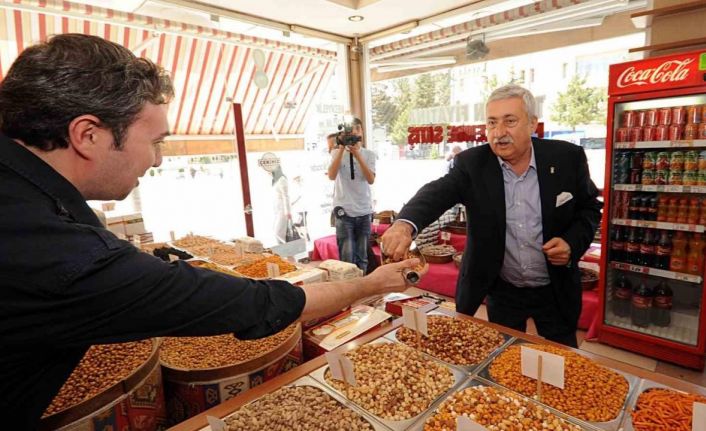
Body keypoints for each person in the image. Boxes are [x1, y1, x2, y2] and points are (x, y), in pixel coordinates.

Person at [0, 34, 421, 427]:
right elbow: (252, 304)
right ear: (87, 135)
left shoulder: (26, 199)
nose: (158, 160)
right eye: (156, 142)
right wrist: (369, 285)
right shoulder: (62, 254)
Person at [382, 84, 602, 347]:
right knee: (503, 356)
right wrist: (404, 225)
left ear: (532, 123)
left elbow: (590, 208)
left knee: (563, 357)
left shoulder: (567, 158)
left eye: (510, 121)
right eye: (492, 123)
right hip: (502, 288)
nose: (499, 133)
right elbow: (437, 193)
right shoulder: (472, 164)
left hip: (555, 288)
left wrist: (571, 243)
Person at [327, 118, 376, 272]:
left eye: (356, 129)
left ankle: (362, 283)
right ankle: (349, 285)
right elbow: (331, 176)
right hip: (344, 211)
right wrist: (341, 149)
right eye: (350, 130)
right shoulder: (336, 153)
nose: (353, 132)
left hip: (364, 210)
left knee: (362, 256)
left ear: (361, 132)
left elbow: (370, 179)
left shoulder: (369, 154)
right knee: (346, 257)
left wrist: (357, 154)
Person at [270, 163, 291, 244]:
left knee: (278, 233)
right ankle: (283, 250)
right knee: (277, 232)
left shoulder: (282, 179)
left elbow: (286, 196)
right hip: (277, 209)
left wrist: (287, 211)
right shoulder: (276, 180)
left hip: (282, 210)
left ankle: (286, 251)